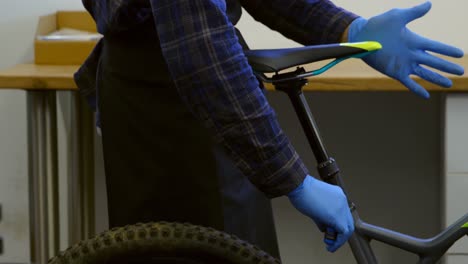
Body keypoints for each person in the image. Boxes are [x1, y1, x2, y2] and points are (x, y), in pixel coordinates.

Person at [75, 0, 464, 259]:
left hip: (180, 89)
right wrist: (294, 181)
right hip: (173, 103)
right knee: (199, 253)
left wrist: (350, 28)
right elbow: (202, 50)